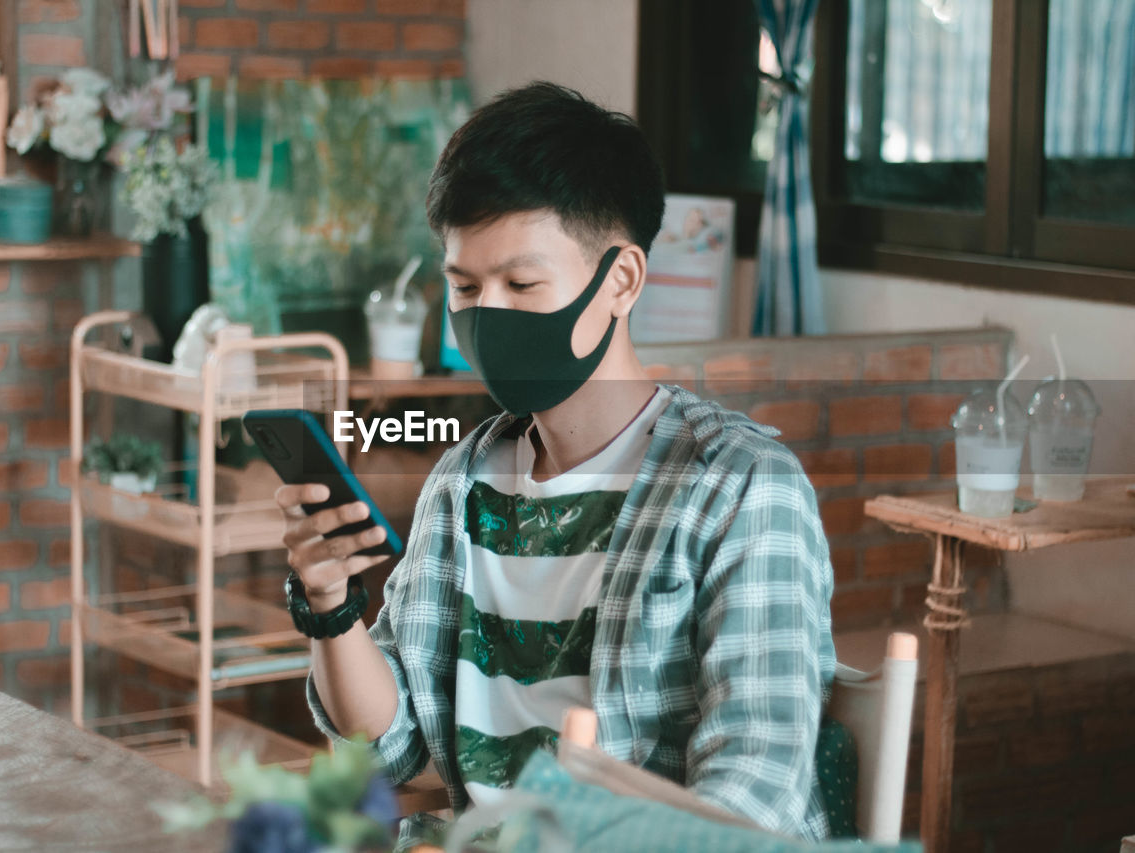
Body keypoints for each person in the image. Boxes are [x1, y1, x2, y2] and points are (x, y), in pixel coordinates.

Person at [277, 81, 836, 844]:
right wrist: (331, 606)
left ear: (622, 281)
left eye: (522, 283)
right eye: (464, 286)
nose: (488, 314)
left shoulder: (739, 491)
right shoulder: (462, 484)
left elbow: (749, 800)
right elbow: (392, 748)